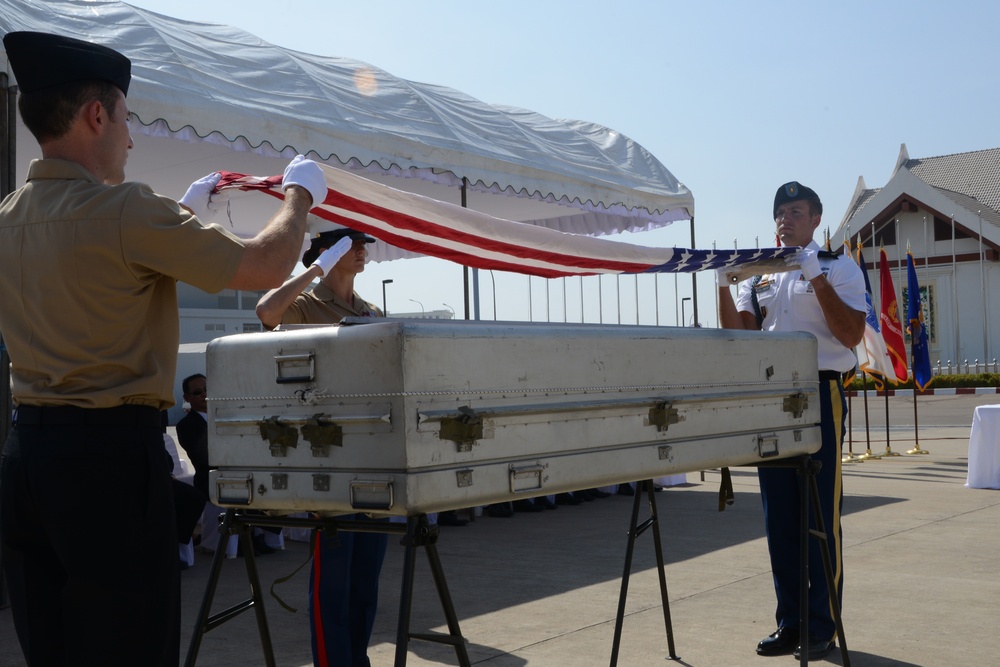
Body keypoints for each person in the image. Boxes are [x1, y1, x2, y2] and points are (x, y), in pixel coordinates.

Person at [0, 31, 328, 666]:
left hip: (28, 459)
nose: (130, 136)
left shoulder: (9, 215)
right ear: (97, 114)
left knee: (54, 650)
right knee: (131, 648)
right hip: (109, 463)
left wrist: (181, 219)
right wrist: (299, 196)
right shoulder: (127, 210)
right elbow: (266, 263)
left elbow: (94, 274)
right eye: (127, 118)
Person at [716, 181, 865, 661]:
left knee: (821, 513)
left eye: (796, 212)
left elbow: (851, 334)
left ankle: (823, 625)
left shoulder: (838, 267)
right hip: (771, 398)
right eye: (780, 213)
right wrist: (724, 285)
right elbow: (740, 337)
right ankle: (790, 622)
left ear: (816, 219)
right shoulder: (759, 278)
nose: (786, 219)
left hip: (820, 392)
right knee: (778, 518)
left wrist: (815, 278)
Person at [256, 226, 389, 667]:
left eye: (362, 246)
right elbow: (267, 311)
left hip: (373, 452)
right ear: (325, 255)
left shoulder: (371, 312)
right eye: (349, 246)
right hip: (328, 453)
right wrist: (315, 269)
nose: (361, 251)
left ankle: (357, 659)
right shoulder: (309, 305)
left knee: (365, 577)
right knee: (333, 579)